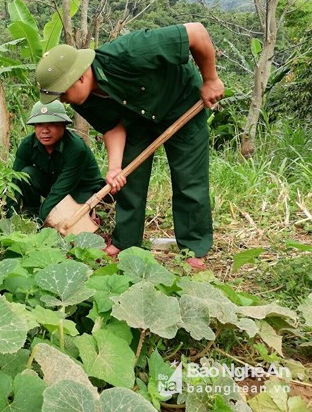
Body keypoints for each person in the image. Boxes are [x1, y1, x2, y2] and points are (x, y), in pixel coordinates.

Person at [35, 23, 225, 269]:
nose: (62, 100)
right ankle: (125, 241)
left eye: (62, 94)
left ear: (79, 77)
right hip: (137, 120)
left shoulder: (130, 52)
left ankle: (194, 247)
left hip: (182, 105)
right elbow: (113, 126)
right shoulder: (82, 100)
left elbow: (196, 32)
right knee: (127, 180)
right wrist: (114, 169)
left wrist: (211, 79)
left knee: (189, 180)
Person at [8, 100, 106, 222]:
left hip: (80, 189)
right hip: (54, 183)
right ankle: (30, 213)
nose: (44, 131)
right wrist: (9, 216)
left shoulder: (76, 148)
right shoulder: (28, 144)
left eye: (52, 124)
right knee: (26, 173)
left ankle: (39, 219)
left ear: (63, 125)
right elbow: (14, 180)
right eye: (39, 125)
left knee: (68, 220)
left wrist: (41, 221)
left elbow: (60, 190)